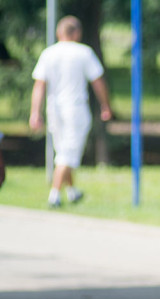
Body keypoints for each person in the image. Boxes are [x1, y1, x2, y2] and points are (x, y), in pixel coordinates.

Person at [29, 15, 112, 208]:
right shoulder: (84, 52)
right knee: (68, 154)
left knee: (63, 150)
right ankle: (54, 195)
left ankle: (72, 192)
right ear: (77, 33)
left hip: (54, 108)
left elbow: (39, 86)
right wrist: (105, 106)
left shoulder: (48, 54)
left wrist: (35, 112)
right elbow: (98, 81)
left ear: (59, 32)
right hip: (75, 108)